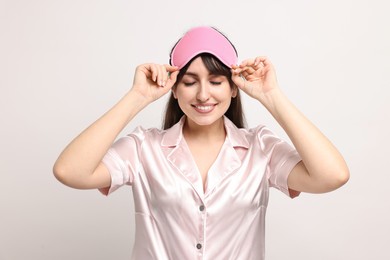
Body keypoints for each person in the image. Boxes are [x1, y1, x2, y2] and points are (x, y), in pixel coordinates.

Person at [53, 26, 349, 259]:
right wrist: (137, 97)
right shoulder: (144, 148)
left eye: (216, 81)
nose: (203, 94)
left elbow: (332, 175)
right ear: (174, 88)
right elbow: (70, 171)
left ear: (234, 88)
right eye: (190, 81)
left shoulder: (260, 148)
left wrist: (272, 96)